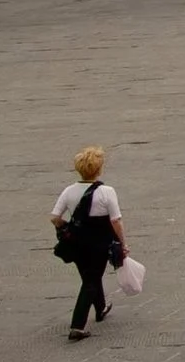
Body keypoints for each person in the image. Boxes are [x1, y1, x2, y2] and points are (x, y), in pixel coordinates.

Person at [49, 145, 130, 341]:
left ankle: (100, 308)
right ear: (99, 169)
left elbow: (55, 217)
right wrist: (123, 242)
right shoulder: (106, 191)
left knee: (89, 275)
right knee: (91, 280)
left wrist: (65, 228)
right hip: (99, 242)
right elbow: (115, 220)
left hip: (77, 242)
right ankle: (77, 325)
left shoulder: (69, 191)